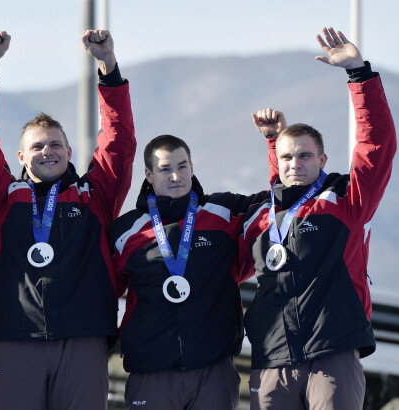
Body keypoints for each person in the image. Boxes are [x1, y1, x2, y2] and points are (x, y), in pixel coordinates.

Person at [0, 30, 136, 409]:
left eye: (55, 144)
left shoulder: (94, 196)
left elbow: (119, 143)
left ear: (70, 151)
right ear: (20, 157)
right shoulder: (3, 198)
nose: (48, 151)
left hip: (83, 335)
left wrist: (108, 69)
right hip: (14, 336)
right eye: (37, 146)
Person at [238, 27, 396, 409]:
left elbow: (377, 145)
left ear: (322, 160)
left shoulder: (346, 200)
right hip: (273, 355)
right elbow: (281, 197)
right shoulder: (260, 214)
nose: (296, 164)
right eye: (288, 157)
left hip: (333, 351)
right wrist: (276, 142)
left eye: (305, 156)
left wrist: (359, 74)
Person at [109, 125, 285, 409]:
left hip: (213, 369)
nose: (176, 176)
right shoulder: (125, 231)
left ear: (192, 167)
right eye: (165, 169)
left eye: (182, 166)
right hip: (151, 371)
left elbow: (277, 201)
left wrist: (275, 143)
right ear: (149, 175)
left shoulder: (226, 212)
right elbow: (106, 292)